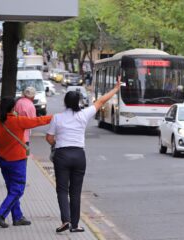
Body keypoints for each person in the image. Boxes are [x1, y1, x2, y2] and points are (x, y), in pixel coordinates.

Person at [46, 77, 121, 233]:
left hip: (62, 154)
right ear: (79, 102)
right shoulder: (83, 115)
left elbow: (49, 138)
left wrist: (56, 143)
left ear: (65, 102)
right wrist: (116, 88)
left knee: (62, 189)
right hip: (79, 155)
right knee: (75, 191)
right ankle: (75, 225)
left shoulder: (57, 118)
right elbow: (101, 101)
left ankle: (65, 220)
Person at [0, 97, 52, 228]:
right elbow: (38, 121)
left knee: (12, 189)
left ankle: (17, 217)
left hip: (4, 162)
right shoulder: (19, 121)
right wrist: (55, 117)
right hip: (17, 162)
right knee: (18, 190)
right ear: (13, 108)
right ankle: (0, 214)